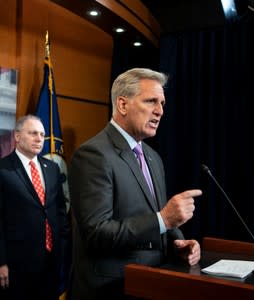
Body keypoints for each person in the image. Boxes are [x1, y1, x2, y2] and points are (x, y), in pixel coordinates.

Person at [67, 68, 202, 300]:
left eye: (162, 103)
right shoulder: (93, 155)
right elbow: (97, 233)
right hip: (111, 289)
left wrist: (177, 241)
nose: (159, 111)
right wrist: (164, 220)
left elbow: (154, 216)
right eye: (151, 101)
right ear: (122, 105)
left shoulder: (152, 157)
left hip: (152, 283)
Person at [0, 115, 69, 300]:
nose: (39, 139)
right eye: (33, 133)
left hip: (51, 262)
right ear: (18, 136)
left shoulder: (52, 168)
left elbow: (60, 212)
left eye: (42, 134)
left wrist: (63, 252)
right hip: (15, 266)